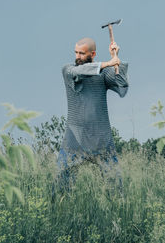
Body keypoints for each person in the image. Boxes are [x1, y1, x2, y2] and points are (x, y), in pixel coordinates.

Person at [54, 37, 129, 193]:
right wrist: (107, 64)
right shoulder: (68, 70)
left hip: (100, 136)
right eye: (76, 52)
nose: (77, 57)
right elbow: (79, 71)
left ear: (92, 54)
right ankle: (58, 212)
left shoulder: (102, 74)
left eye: (82, 53)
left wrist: (116, 61)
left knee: (115, 185)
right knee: (61, 184)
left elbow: (122, 84)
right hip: (75, 136)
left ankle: (118, 211)